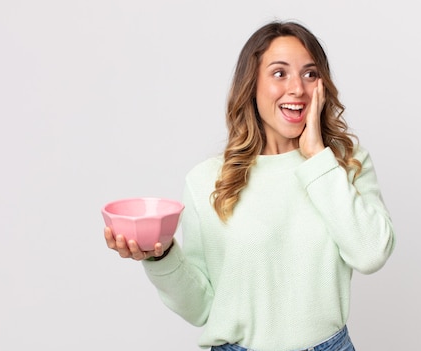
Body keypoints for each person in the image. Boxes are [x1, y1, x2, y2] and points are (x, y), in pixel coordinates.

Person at [104, 20, 395, 351]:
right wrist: (161, 256)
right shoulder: (207, 180)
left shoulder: (344, 162)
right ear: (252, 85)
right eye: (280, 73)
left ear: (322, 87)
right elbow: (200, 308)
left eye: (310, 74)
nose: (298, 88)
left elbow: (371, 254)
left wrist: (316, 156)